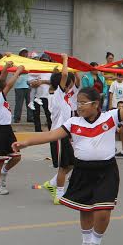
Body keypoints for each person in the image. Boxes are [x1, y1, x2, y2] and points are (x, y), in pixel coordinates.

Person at [13, 86, 123, 245]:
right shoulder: (73, 122)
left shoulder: (110, 117)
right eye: (77, 103)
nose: (79, 106)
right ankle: (86, 241)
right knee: (86, 209)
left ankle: (95, 243)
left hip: (106, 171)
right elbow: (51, 135)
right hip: (82, 171)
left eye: (83, 103)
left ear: (95, 104)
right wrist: (26, 142)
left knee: (103, 211)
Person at [42, 55, 78, 204]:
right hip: (57, 136)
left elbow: (71, 79)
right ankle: (59, 195)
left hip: (64, 136)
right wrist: (64, 60)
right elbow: (64, 75)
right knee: (64, 167)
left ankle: (51, 183)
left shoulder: (64, 97)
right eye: (68, 83)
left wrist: (75, 69)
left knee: (71, 163)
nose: (70, 85)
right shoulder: (57, 95)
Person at [0, 64, 25, 195]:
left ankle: (4, 171)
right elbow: (8, 85)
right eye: (3, 88)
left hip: (7, 130)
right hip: (1, 130)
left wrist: (6, 68)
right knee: (0, 160)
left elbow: (2, 81)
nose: (6, 89)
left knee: (17, 156)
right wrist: (18, 72)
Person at [109, 73, 123, 156]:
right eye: (118, 76)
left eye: (121, 76)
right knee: (113, 128)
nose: (120, 77)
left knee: (122, 128)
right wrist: (110, 104)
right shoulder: (114, 83)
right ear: (116, 76)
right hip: (115, 106)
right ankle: (112, 147)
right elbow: (111, 94)